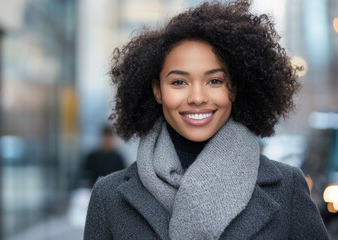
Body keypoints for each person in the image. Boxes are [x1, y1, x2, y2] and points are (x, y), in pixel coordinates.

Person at [84, 0, 330, 239]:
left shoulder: (287, 188)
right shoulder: (108, 198)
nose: (197, 97)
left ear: (233, 88)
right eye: (179, 82)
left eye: (215, 81)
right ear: (157, 91)